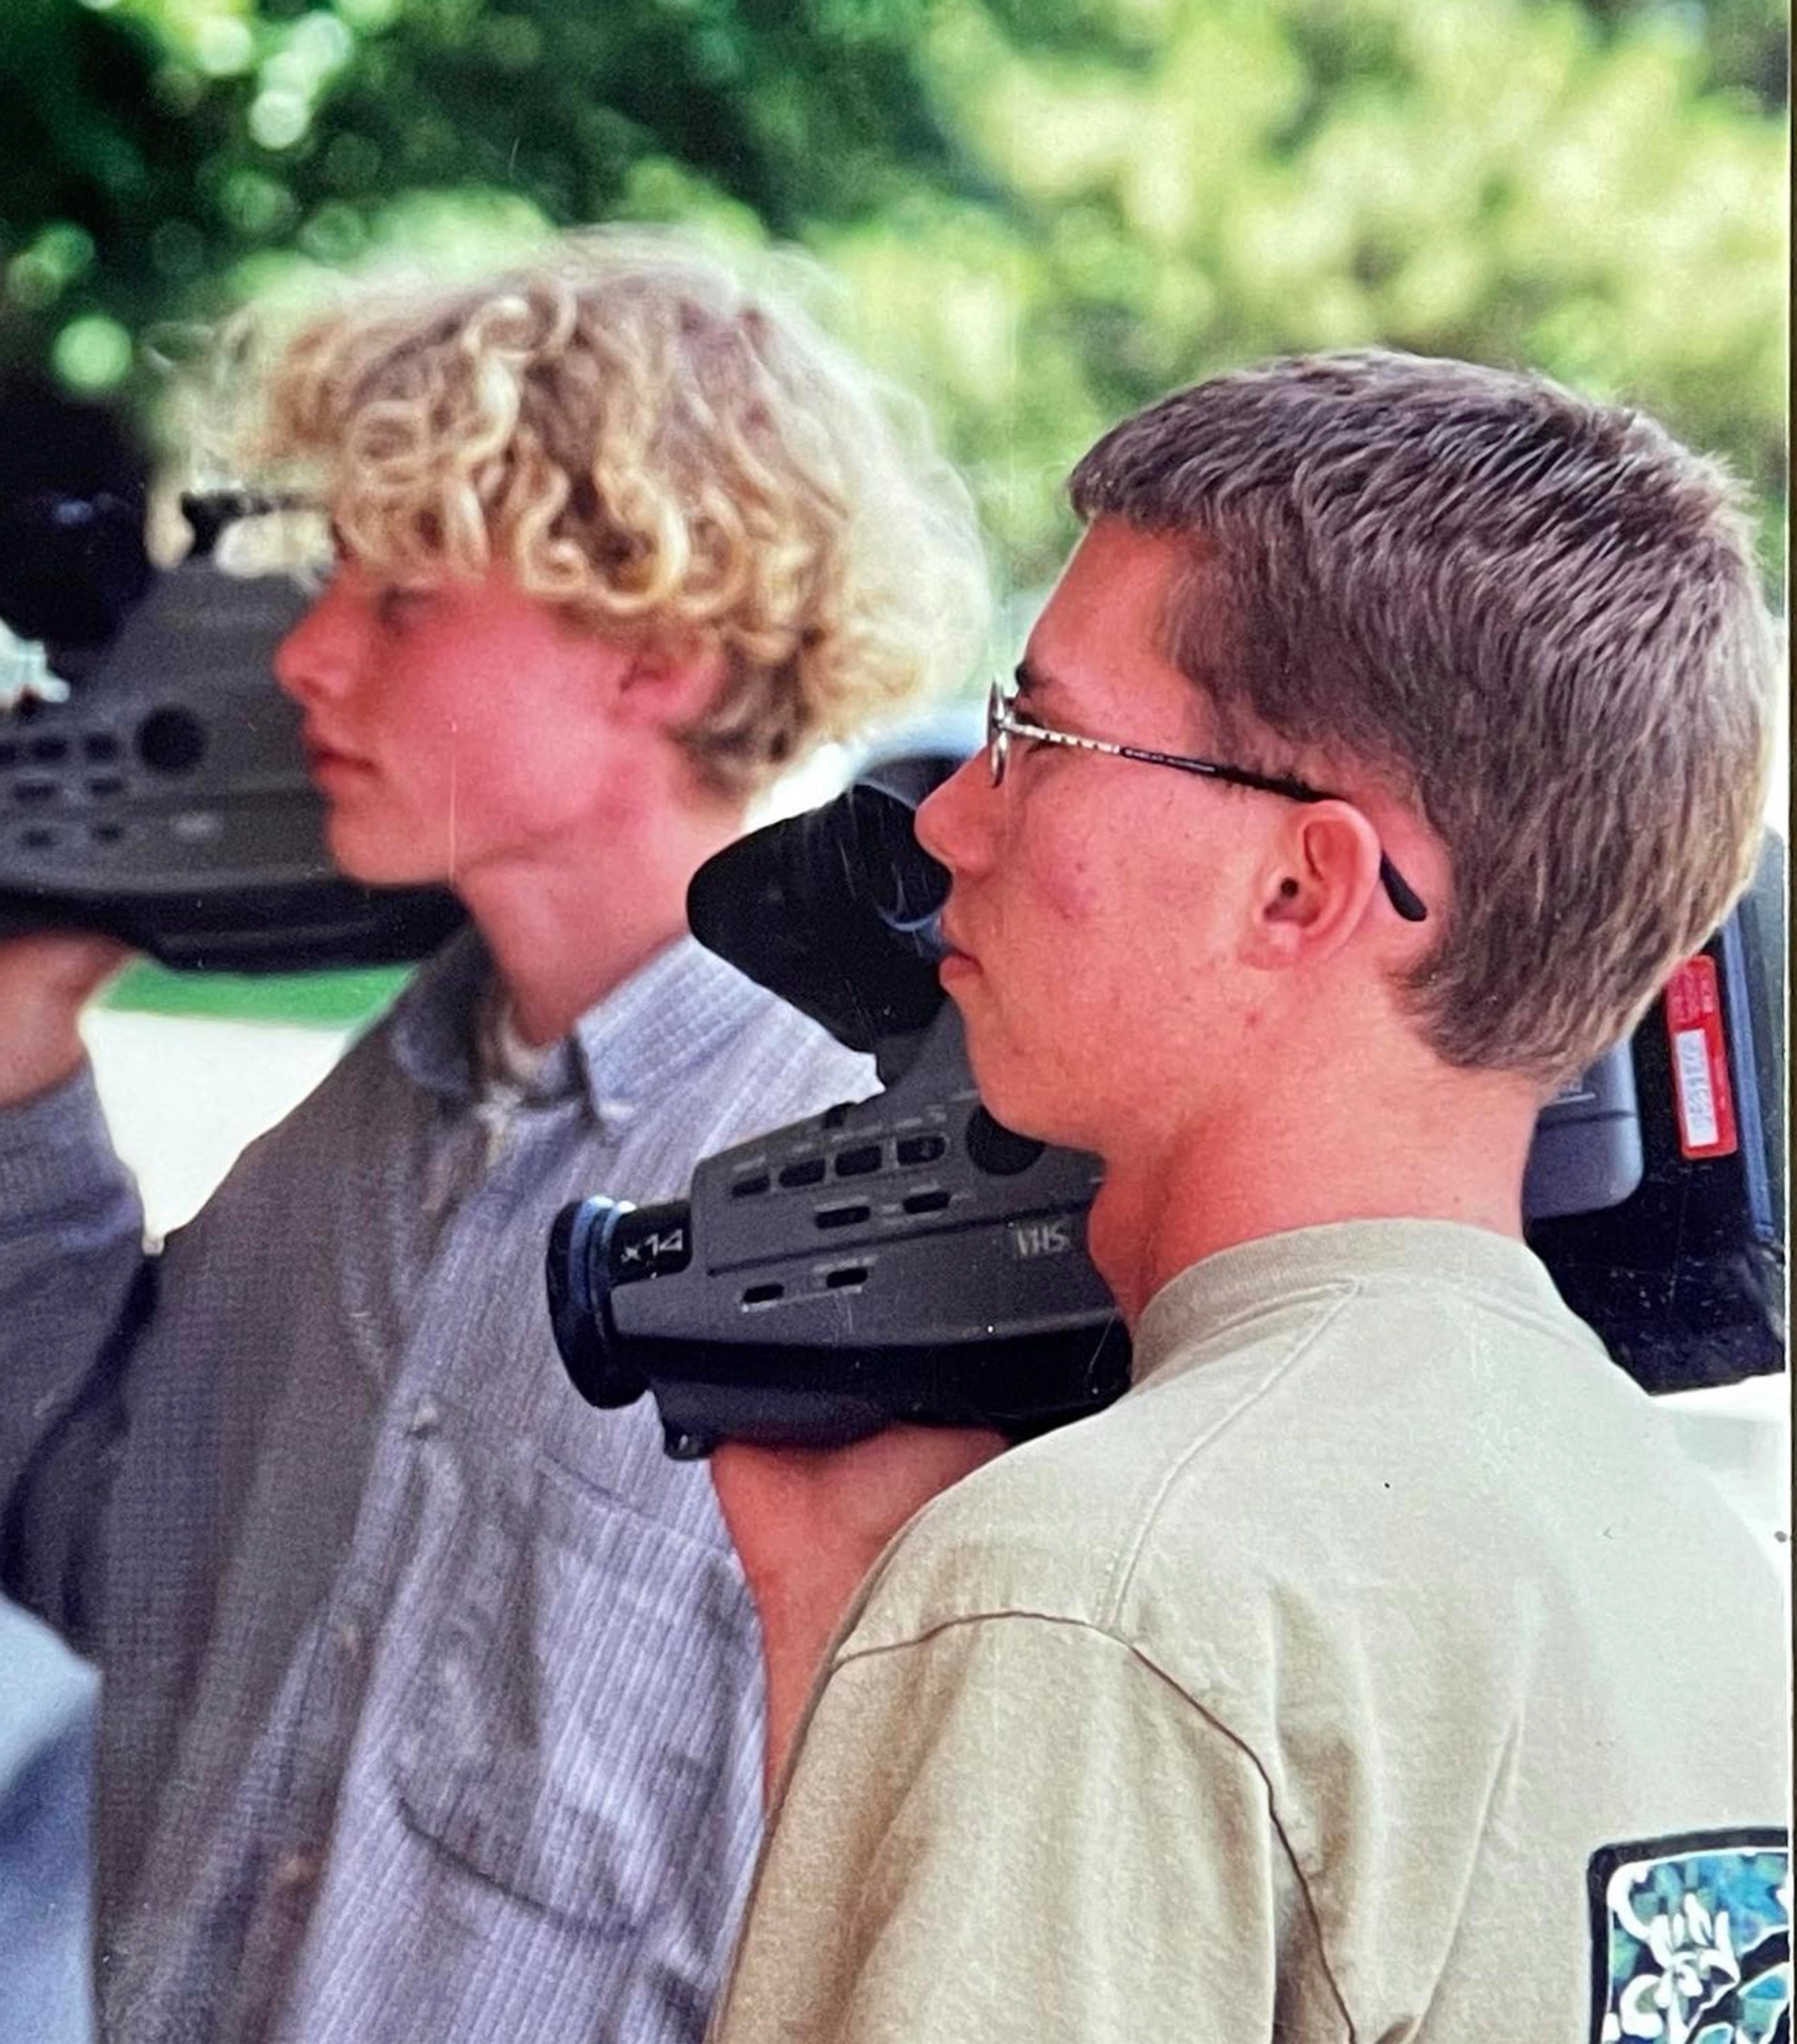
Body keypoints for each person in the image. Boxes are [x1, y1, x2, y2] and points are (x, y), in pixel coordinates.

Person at [0, 231, 991, 2044]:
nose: (312, 657)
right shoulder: (362, 1131)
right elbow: (110, 1559)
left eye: (403, 596)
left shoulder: (874, 1227)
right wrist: (11, 1063)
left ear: (654, 647)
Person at [707, 351, 1790, 2043]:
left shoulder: (1102, 1592)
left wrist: (980, 1631)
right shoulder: (1698, 1579)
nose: (949, 827)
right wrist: (853, 1634)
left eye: (1033, 734)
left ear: (1300, 887)